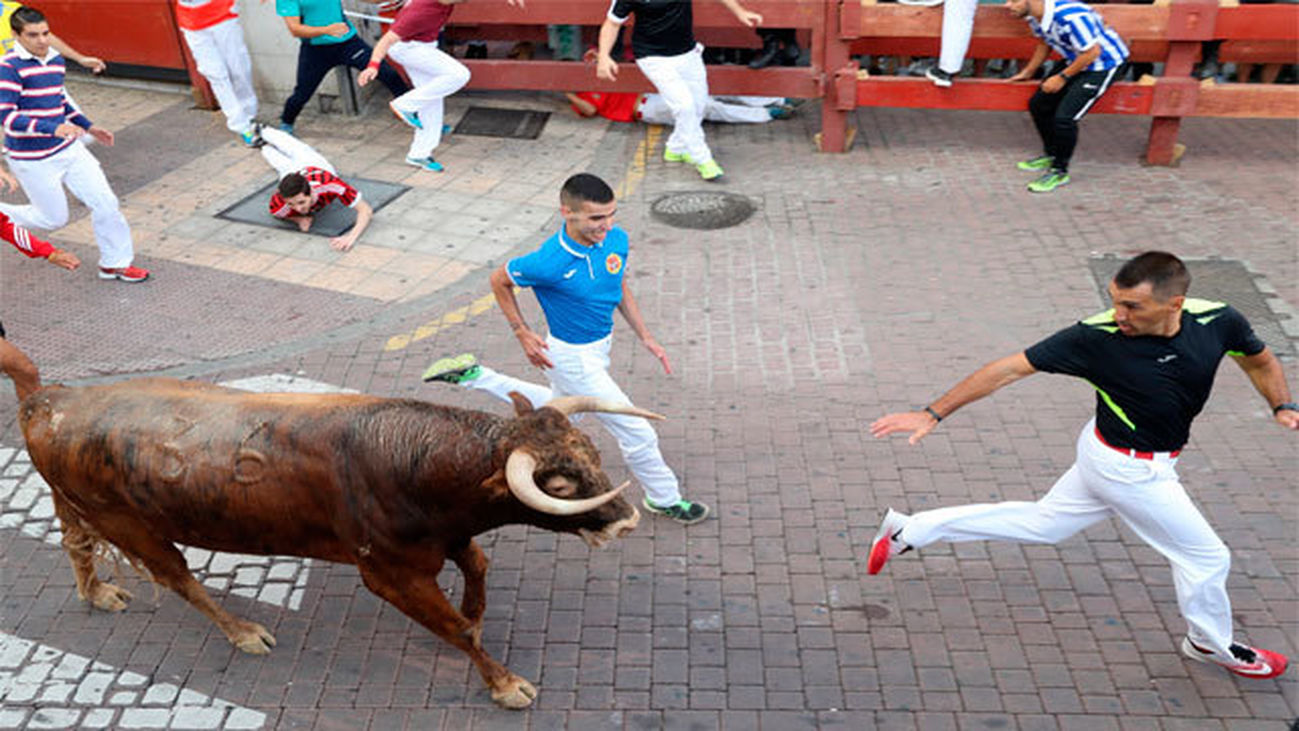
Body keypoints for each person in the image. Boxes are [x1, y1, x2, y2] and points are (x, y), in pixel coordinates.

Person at [868, 251, 1296, 680]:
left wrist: (1281, 404)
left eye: (1132, 306)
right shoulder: (1095, 338)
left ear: (1175, 305)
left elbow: (1258, 359)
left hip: (1108, 454)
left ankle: (909, 531)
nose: (1119, 314)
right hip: (1129, 470)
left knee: (1046, 523)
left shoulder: (1219, 320)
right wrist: (933, 413)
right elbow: (1007, 370)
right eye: (1115, 301)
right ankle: (1208, 643)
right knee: (1207, 558)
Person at [423, 173, 709, 526]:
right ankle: (664, 498)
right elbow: (499, 280)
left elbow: (617, 285)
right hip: (572, 358)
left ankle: (474, 375)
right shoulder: (548, 262)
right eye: (596, 218)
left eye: (611, 214)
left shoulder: (615, 239)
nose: (606, 225)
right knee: (637, 431)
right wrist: (521, 331)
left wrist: (645, 335)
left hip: (596, 350)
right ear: (567, 213)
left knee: (560, 413)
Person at [0, 7, 149, 283]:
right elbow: (6, 117)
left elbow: (60, 100)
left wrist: (89, 126)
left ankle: (115, 264)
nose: (42, 41)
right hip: (32, 159)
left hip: (69, 149)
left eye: (45, 33)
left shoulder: (55, 60)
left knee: (106, 203)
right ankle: (2, 214)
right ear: (16, 36)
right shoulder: (8, 68)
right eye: (33, 35)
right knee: (53, 220)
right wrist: (53, 128)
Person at [596, 0, 764, 182]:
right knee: (684, 106)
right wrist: (604, 56)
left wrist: (740, 12)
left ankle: (675, 147)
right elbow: (612, 23)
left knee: (699, 105)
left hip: (688, 54)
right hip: (652, 57)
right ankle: (703, 158)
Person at [357, 0, 521, 172]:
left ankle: (418, 154)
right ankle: (405, 104)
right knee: (459, 74)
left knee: (432, 100)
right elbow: (387, 40)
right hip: (407, 49)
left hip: (423, 46)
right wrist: (373, 65)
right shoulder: (419, 10)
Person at [1004, 0, 1129, 193]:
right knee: (1038, 105)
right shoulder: (1035, 16)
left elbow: (1093, 52)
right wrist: (1028, 71)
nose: (1007, 5)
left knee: (1065, 118)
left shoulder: (1071, 18)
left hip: (1103, 64)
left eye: (1014, 0)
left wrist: (1062, 77)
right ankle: (1052, 154)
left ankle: (1060, 170)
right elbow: (1044, 42)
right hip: (1076, 58)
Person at [275, 0, 410, 135]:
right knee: (302, 94)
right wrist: (327, 30)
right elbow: (295, 30)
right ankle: (286, 123)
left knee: (388, 73)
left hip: (348, 44)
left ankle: (411, 109)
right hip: (315, 51)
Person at [260, 126, 372, 251]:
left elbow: (365, 210)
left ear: (311, 192)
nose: (298, 208)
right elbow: (276, 212)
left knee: (295, 147)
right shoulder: (280, 201)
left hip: (313, 163)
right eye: (291, 204)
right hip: (292, 172)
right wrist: (298, 219)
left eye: (301, 202)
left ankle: (263, 130)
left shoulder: (331, 185)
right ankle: (263, 145)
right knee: (277, 161)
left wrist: (351, 237)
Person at [176, 0, 260, 145]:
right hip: (191, 19)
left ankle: (249, 113)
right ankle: (241, 125)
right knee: (215, 74)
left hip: (221, 11)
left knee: (238, 68)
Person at [565, 90, 795, 125]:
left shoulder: (596, 74)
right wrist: (567, 92)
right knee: (708, 107)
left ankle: (774, 100)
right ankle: (766, 114)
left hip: (653, 93)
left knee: (711, 89)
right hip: (646, 108)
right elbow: (590, 110)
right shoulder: (579, 98)